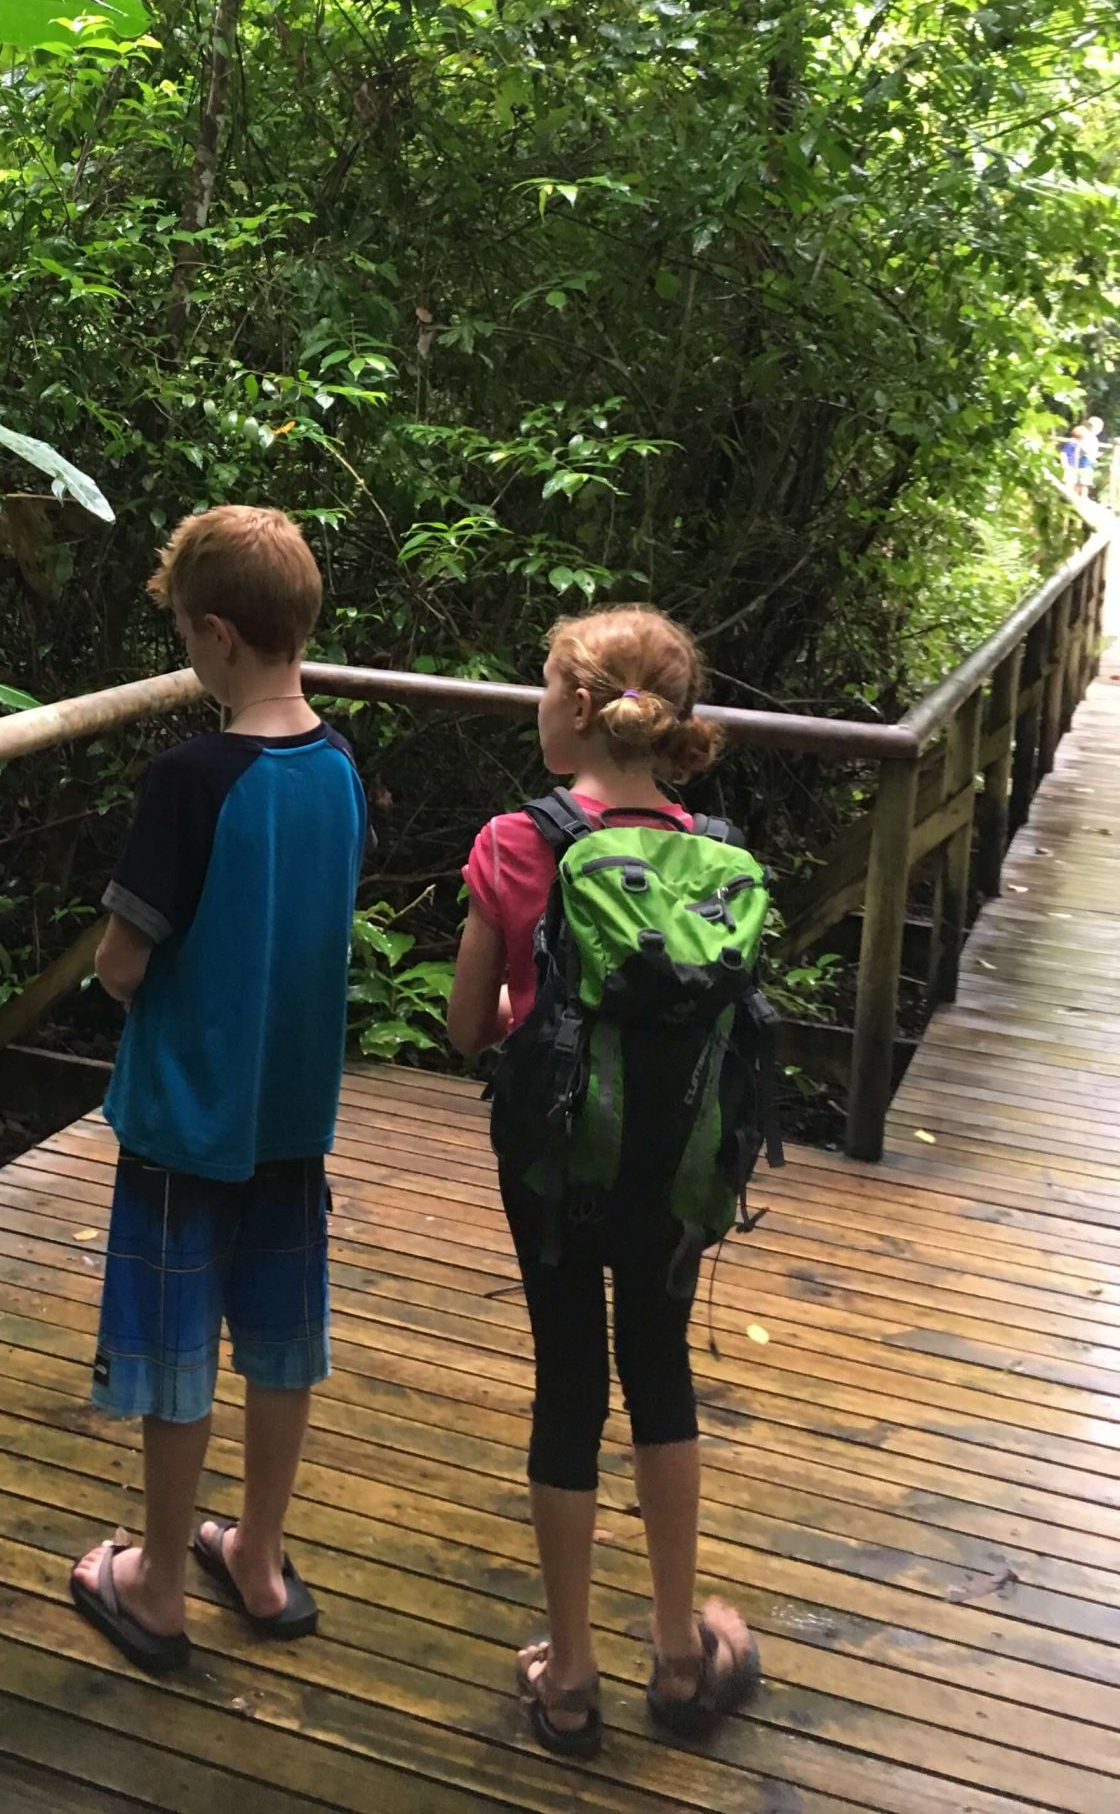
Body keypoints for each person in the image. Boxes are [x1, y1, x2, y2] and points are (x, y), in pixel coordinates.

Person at [447, 606, 760, 1758]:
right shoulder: (716, 853)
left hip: (557, 1171)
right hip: (675, 1173)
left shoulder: (514, 843)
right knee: (661, 1374)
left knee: (569, 1383)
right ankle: (681, 1653)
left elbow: (468, 1028)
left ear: (579, 708)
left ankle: (570, 1674)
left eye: (542, 685)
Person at [70, 506, 366, 1674]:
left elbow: (123, 959)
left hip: (187, 1116)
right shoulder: (339, 766)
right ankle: (256, 1549)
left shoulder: (191, 779)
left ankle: (151, 1581)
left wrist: (125, 984)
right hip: (292, 1117)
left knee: (178, 1343)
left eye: (189, 636)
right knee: (283, 1341)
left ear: (219, 634)